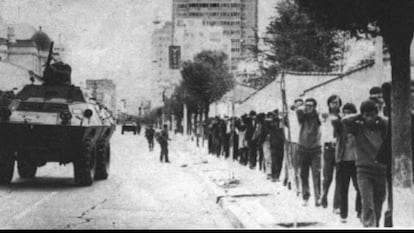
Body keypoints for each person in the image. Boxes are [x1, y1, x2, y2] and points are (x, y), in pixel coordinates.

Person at [342, 100, 388, 228]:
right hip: (364, 171)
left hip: (381, 171)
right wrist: (359, 115)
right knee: (368, 203)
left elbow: (390, 122)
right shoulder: (357, 127)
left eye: (372, 115)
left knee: (379, 202)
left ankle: (375, 224)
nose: (370, 118)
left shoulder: (382, 126)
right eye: (367, 115)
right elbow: (344, 120)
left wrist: (378, 116)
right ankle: (369, 225)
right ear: (362, 115)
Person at [332, 103, 361, 223]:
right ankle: (343, 215)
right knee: (343, 189)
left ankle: (360, 211)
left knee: (359, 188)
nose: (346, 114)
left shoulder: (358, 127)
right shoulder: (340, 125)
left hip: (357, 162)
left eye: (349, 112)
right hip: (343, 162)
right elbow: (335, 121)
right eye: (344, 112)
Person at [296, 98, 322, 207]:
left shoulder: (317, 116)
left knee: (316, 174)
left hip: (315, 149)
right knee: (304, 174)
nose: (307, 107)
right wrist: (303, 107)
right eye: (306, 105)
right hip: (303, 148)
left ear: (315, 107)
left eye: (310, 106)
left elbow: (322, 117)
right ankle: (305, 196)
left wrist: (315, 110)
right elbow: (298, 110)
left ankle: (318, 197)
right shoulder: (303, 116)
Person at [320, 95, 342, 212]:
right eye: (332, 103)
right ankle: (324, 197)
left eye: (337, 102)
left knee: (339, 177)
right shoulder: (325, 116)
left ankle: (336, 205)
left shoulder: (342, 116)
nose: (335, 105)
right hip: (328, 148)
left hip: (339, 147)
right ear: (329, 104)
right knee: (327, 176)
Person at [268, 111, 285, 182]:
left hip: (279, 144)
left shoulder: (280, 124)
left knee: (278, 161)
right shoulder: (272, 125)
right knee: (275, 160)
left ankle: (276, 175)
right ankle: (274, 175)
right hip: (275, 144)